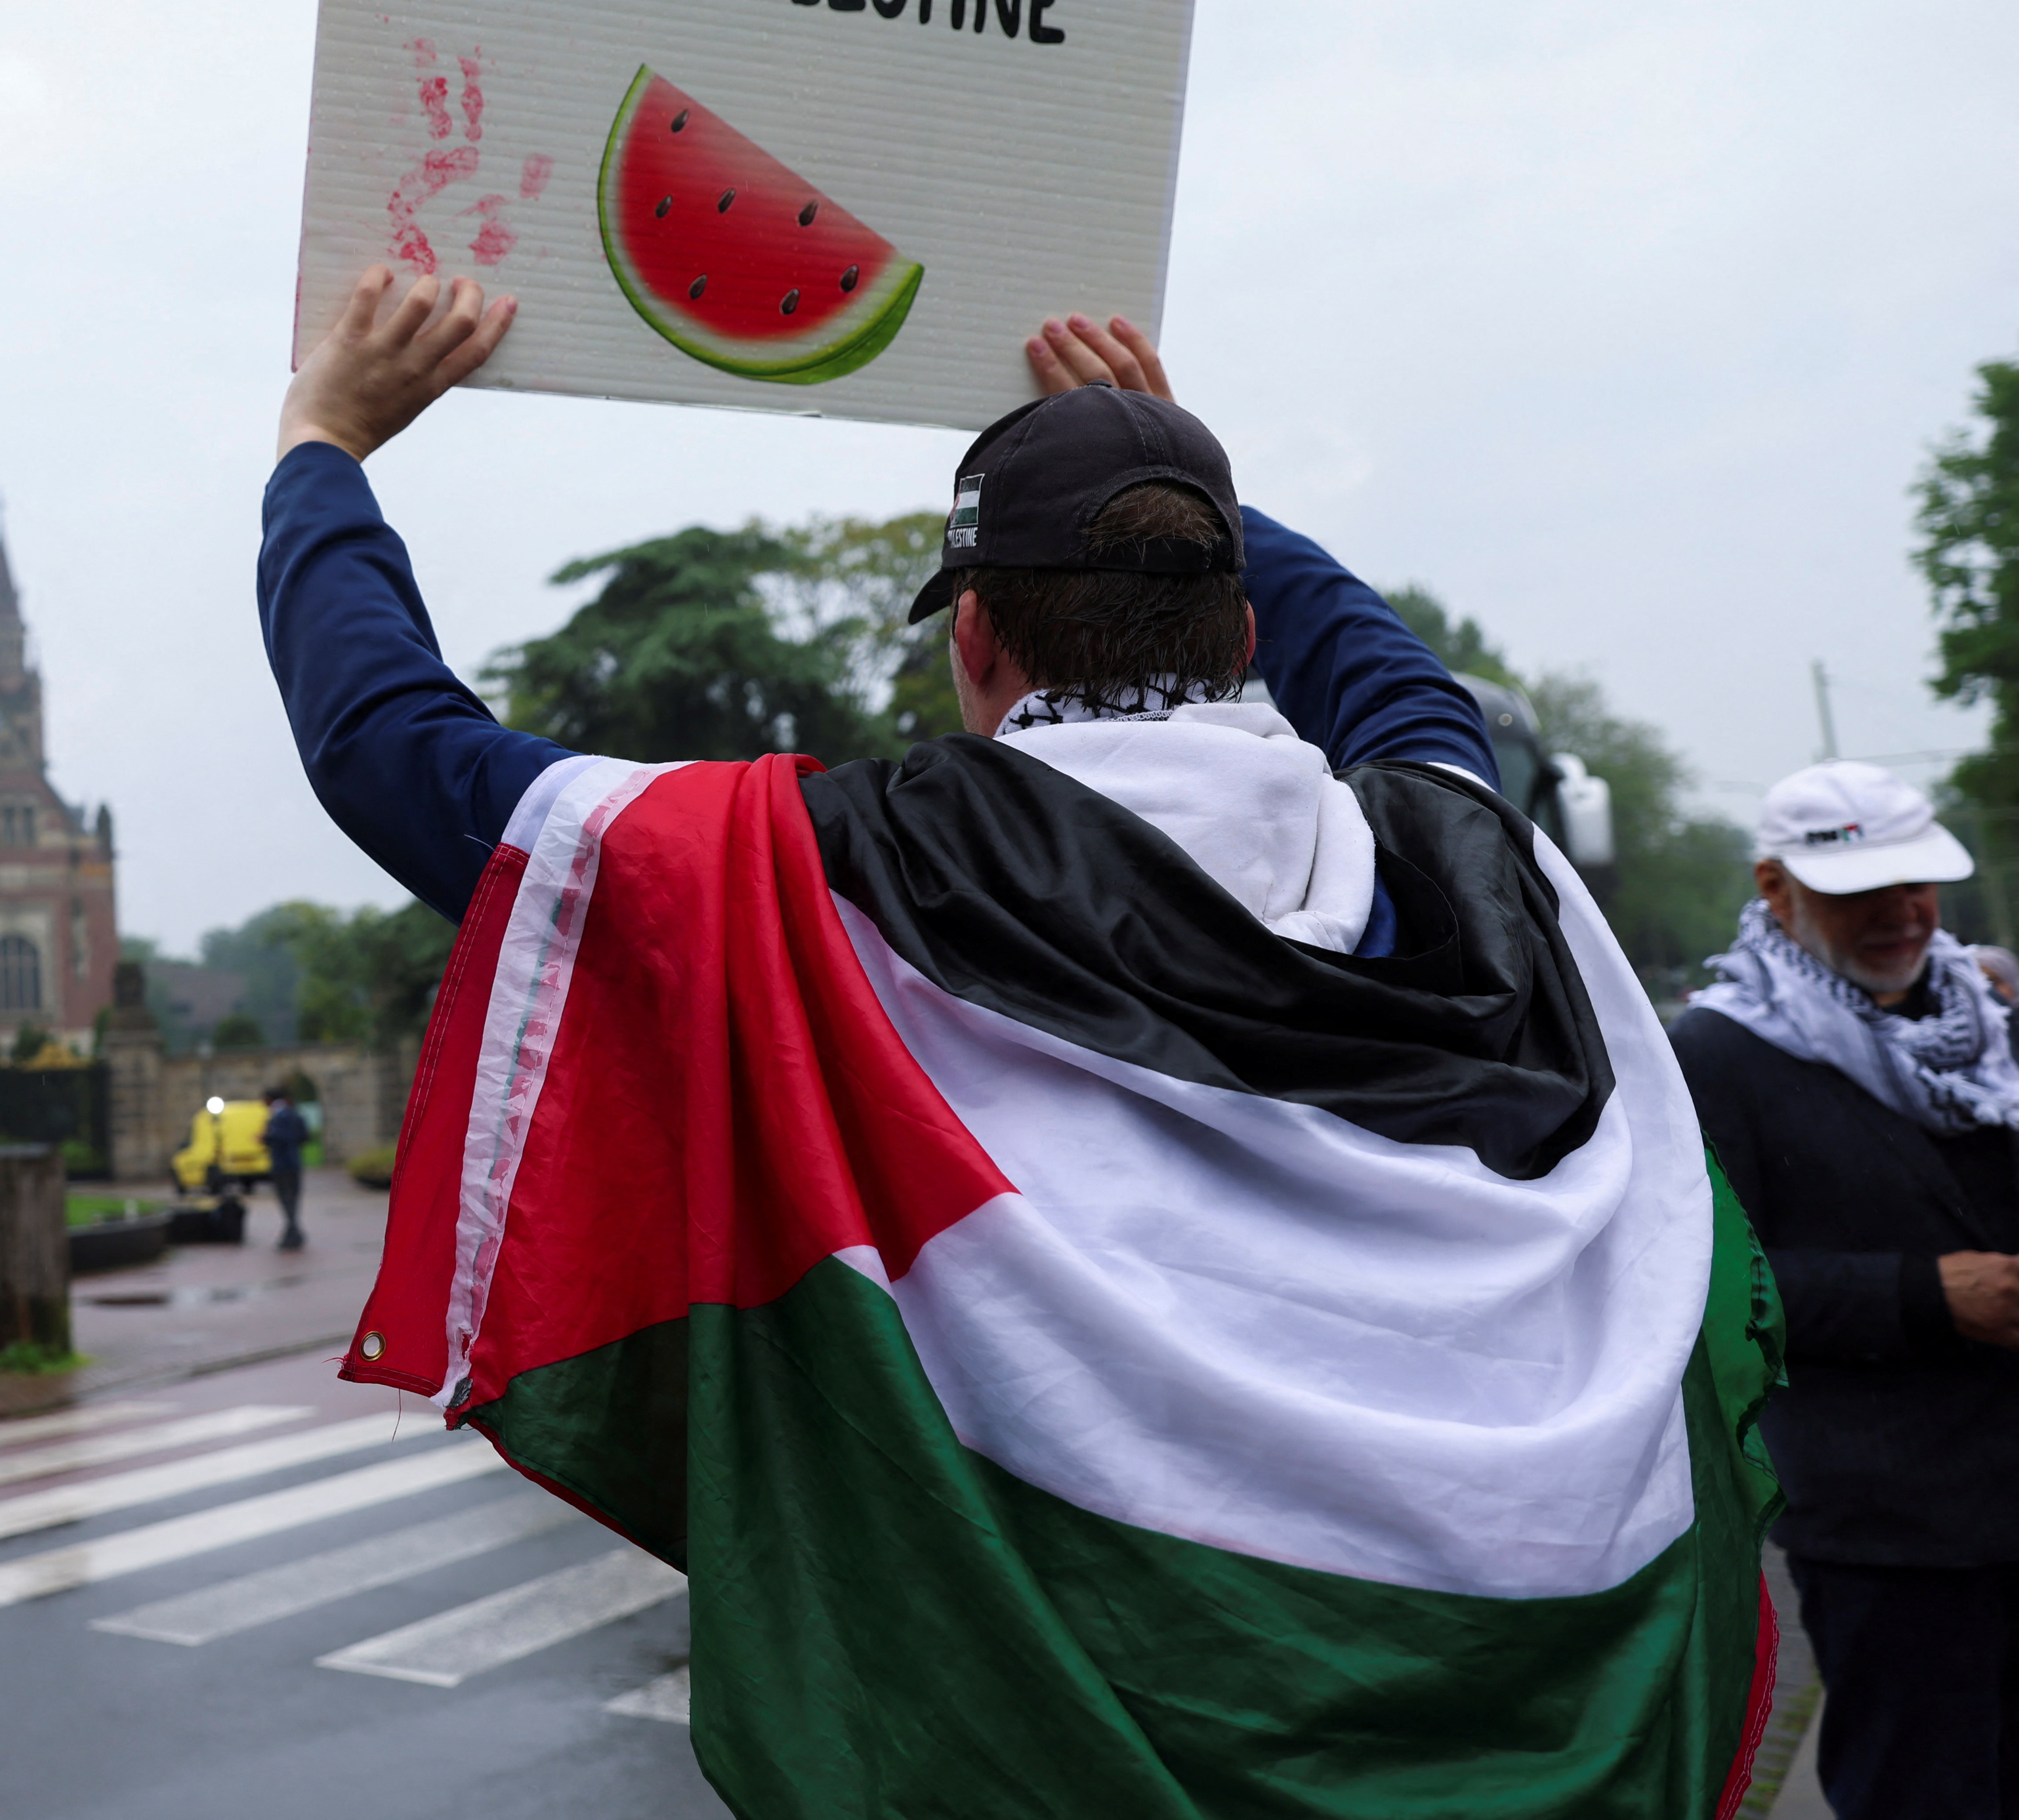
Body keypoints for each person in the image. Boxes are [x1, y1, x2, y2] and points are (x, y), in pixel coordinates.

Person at [276, 268, 1776, 1819]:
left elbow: (390, 748)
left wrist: (323, 445)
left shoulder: (824, 876)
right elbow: (1390, 684)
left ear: (971, 631)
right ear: (1241, 626)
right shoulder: (1467, 865)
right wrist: (1175, 469)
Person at [1671, 760, 2019, 1817]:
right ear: (1776, 888)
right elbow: (1708, 1285)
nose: (1904, 913)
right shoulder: (1720, 1050)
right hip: (1891, 1522)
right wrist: (1920, 1292)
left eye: (1918, 882)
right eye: (1863, 888)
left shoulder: (1991, 1016)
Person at [260, 1088, 310, 1250]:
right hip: (293, 1162)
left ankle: (293, 1233)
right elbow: (304, 1136)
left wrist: (268, 1138)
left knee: (287, 1199)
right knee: (292, 1199)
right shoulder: (294, 1114)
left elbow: (282, 1136)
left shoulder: (280, 1116)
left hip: (283, 1164)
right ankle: (292, 1233)